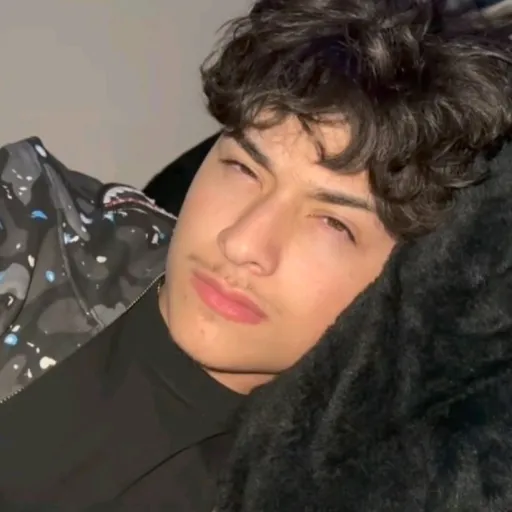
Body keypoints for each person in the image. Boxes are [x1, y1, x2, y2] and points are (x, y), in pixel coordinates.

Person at [0, 0, 510, 510]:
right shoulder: (29, 226)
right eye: (244, 168)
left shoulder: (365, 485)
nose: (243, 243)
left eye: (333, 223)